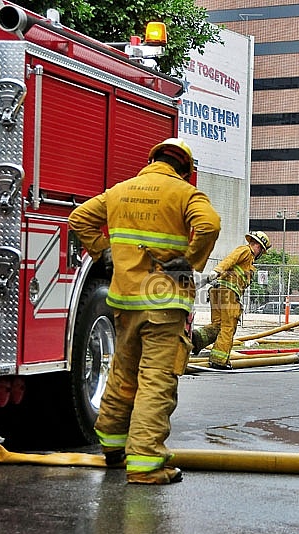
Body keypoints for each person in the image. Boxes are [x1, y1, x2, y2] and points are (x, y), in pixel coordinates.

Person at [68, 138, 220, 485]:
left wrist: (101, 251)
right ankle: (146, 464)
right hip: (164, 303)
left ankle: (112, 446)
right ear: (185, 169)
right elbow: (209, 224)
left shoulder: (120, 191)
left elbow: (79, 218)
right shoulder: (184, 193)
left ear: (152, 160)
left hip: (124, 303)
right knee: (156, 380)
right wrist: (190, 260)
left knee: (123, 374)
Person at [191, 231, 272, 368]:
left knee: (218, 325)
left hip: (217, 291)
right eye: (262, 251)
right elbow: (230, 259)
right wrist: (217, 270)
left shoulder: (248, 258)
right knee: (228, 327)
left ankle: (196, 340)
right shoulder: (246, 251)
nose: (260, 254)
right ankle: (219, 361)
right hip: (228, 293)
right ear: (258, 246)